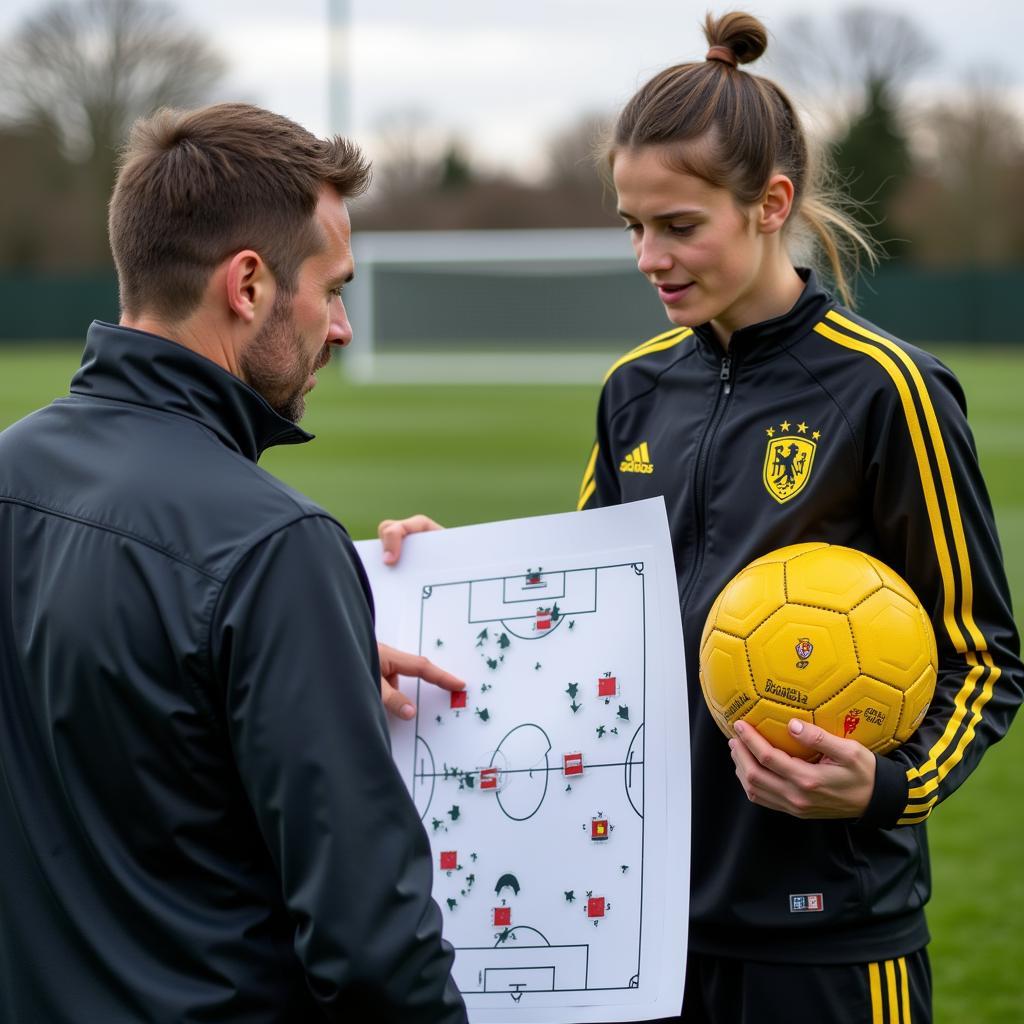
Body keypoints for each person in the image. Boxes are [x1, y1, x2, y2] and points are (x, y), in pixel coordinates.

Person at [379, 12, 1023, 1023]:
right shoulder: (632, 390)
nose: (647, 256)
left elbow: (984, 655)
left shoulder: (887, 389)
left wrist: (885, 787)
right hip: (637, 924)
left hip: (829, 934)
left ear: (771, 204)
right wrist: (438, 586)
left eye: (678, 226)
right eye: (632, 225)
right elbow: (580, 627)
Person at [0, 103, 468, 1023]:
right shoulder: (272, 548)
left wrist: (273, 672)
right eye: (331, 290)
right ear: (248, 285)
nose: (340, 328)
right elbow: (375, 953)